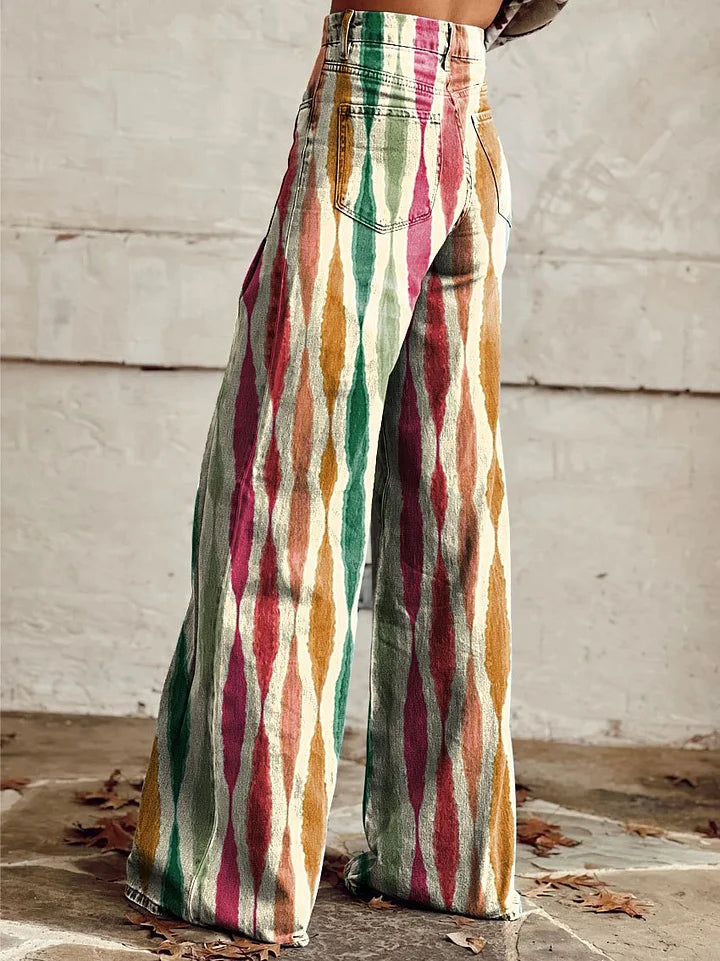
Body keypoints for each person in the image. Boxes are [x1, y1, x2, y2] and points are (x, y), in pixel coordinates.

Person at [125, 0, 570, 948]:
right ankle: (449, 863)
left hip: (372, 93)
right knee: (453, 508)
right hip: (472, 111)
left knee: (282, 492)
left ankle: (235, 877)